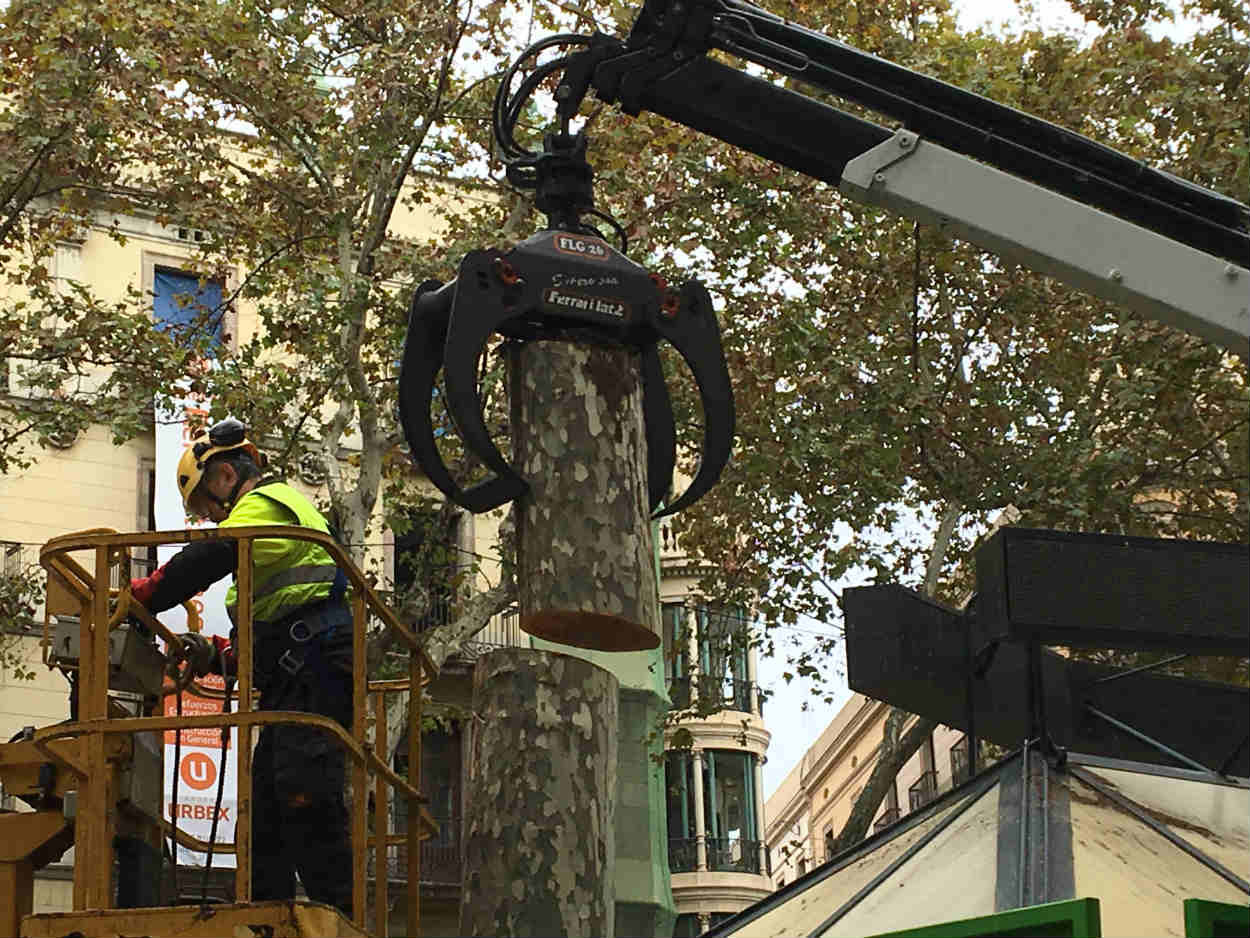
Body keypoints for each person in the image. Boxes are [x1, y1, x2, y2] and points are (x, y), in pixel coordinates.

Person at [130, 417, 353, 916]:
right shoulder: (269, 530)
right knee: (265, 813)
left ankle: (341, 920)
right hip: (298, 670)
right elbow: (278, 615)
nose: (212, 519)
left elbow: (207, 556)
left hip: (316, 668)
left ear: (226, 477)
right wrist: (221, 656)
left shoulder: (268, 504)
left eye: (207, 507)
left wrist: (142, 596)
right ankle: (265, 919)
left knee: (306, 795)